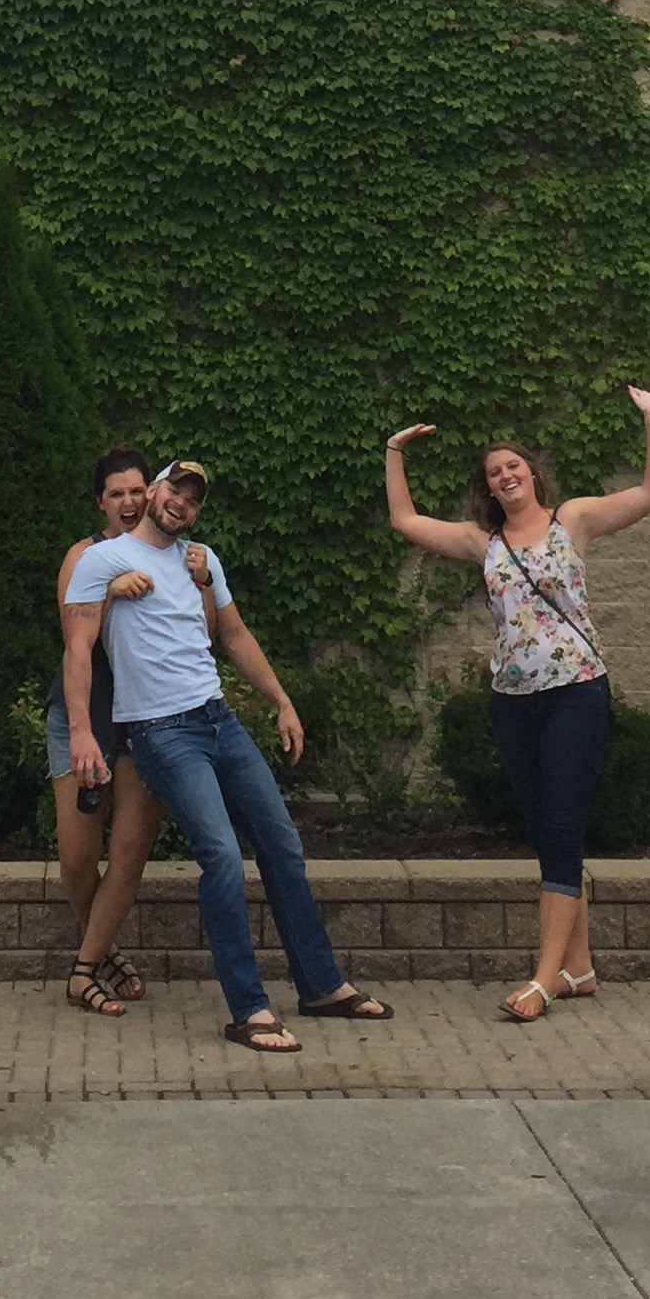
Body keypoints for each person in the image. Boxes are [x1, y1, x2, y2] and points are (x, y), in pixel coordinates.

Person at [64, 458, 393, 1054]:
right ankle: (250, 1009)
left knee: (282, 844)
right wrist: (83, 732)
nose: (181, 503)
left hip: (219, 720)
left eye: (193, 499)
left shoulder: (202, 560)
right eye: (175, 490)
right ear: (154, 490)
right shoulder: (103, 559)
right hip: (160, 731)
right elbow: (79, 647)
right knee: (220, 856)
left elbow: (234, 637)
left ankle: (322, 986)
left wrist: (282, 702)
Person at [384, 389, 650, 1021]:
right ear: (487, 488)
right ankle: (580, 968)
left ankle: (544, 977)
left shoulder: (575, 520)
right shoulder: (482, 542)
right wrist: (393, 452)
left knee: (563, 829)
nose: (505, 476)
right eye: (494, 472)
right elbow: (405, 520)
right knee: (546, 831)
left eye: (513, 465)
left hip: (577, 694)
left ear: (533, 473)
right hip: (513, 703)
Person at [50, 443, 215, 1015]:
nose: (127, 501)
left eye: (136, 490)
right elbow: (75, 640)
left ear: (153, 493)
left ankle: (88, 965)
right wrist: (111, 590)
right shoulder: (85, 556)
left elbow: (208, 633)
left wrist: (203, 582)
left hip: (148, 719)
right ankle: (108, 952)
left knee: (129, 852)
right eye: (115, 493)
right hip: (87, 717)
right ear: (100, 502)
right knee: (77, 859)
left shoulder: (181, 556)